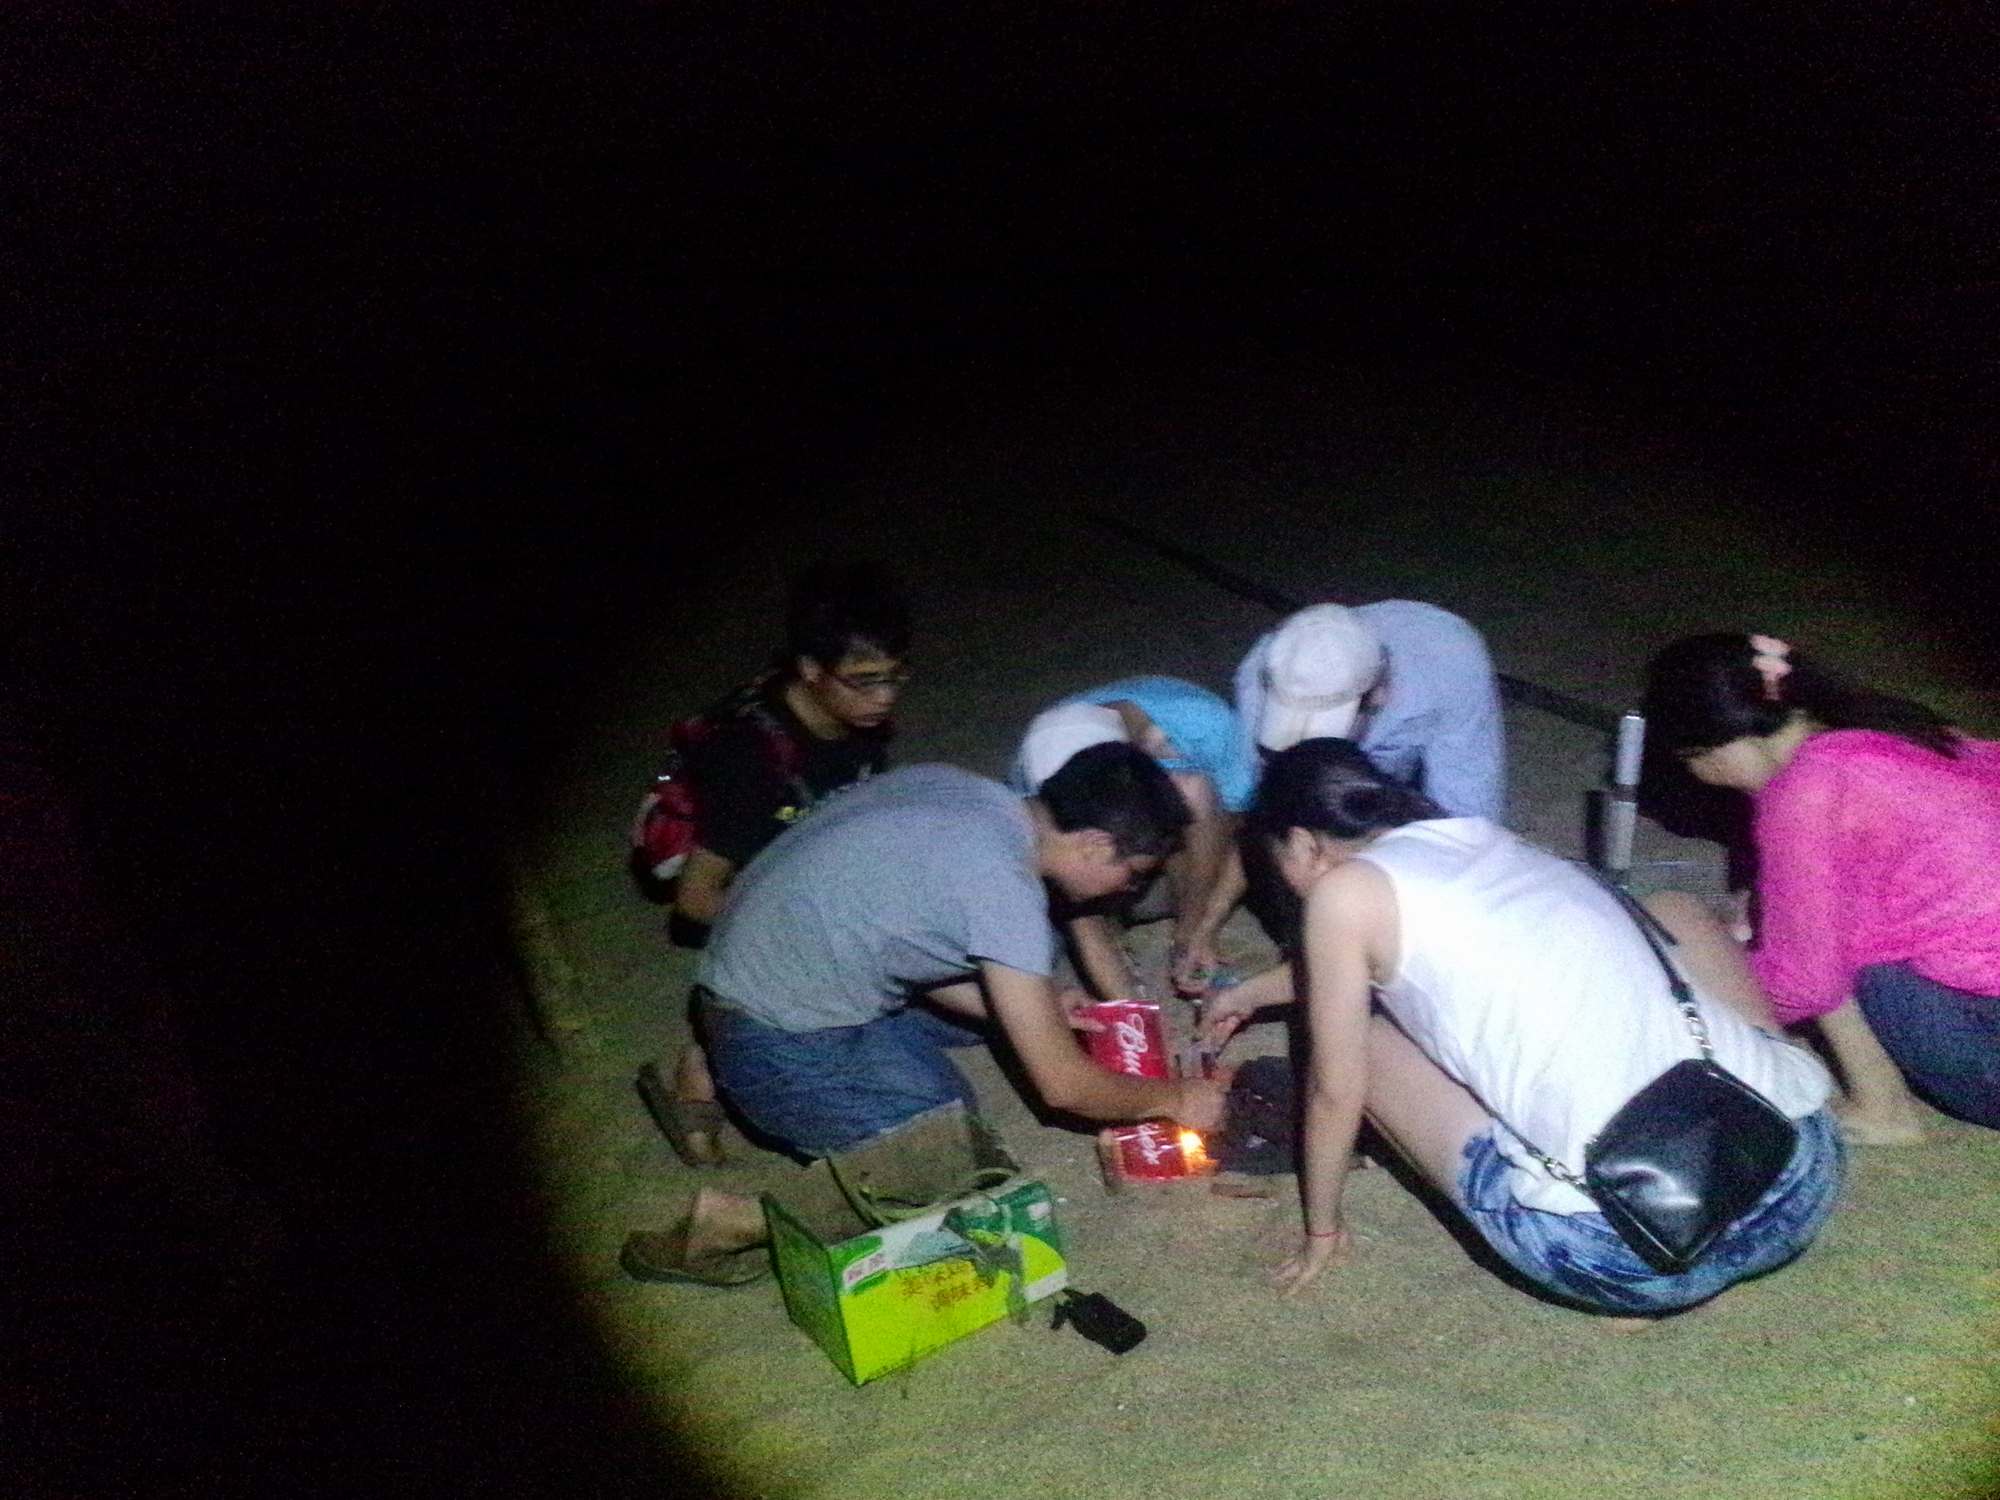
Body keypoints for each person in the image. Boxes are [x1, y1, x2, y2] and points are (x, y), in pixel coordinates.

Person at [1202, 738, 1840, 1316]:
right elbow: (1380, 953)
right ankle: (1770, 1069)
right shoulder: (1481, 837)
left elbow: (1334, 1090)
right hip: (1800, 1171)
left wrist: (1321, 1228)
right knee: (1671, 911)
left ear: (1303, 844)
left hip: (1634, 1256)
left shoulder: (1341, 891)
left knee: (1359, 1043)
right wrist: (1256, 991)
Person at [622, 745, 1227, 1284]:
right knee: (956, 1174)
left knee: (1030, 976)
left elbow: (909, 934)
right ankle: (730, 1223)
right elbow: (1063, 1086)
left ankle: (708, 1066)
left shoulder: (965, 789)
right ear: (1094, 843)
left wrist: (1039, 1007)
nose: (1127, 891)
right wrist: (1177, 1099)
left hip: (753, 970)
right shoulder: (1003, 890)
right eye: (1132, 874)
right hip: (776, 1035)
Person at [1644, 632, 2000, 1141]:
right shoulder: (1898, 728)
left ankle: (1882, 1110)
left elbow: (1804, 984)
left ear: (1710, 751)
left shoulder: (1804, 790)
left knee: (1815, 949)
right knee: (1825, 914)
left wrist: (1714, 981)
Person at [642, 561, 912, 1166]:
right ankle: (705, 1058)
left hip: (802, 856)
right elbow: (695, 902)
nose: (886, 698)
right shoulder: (750, 760)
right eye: (865, 681)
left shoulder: (861, 724)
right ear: (810, 670)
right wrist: (823, 931)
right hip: (741, 887)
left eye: (895, 677)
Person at [1203, 602, 1506, 973]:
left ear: (1377, 694)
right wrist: (1209, 921)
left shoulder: (1450, 661)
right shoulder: (1260, 676)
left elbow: (1465, 824)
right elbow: (1266, 819)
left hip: (1424, 716)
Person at [1012, 677, 1257, 999]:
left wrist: (1201, 927)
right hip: (1103, 873)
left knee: (1196, 791)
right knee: (1055, 915)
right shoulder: (1038, 780)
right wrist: (1131, 1004)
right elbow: (1079, 914)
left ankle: (1186, 929)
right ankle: (1123, 929)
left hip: (1168, 864)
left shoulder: (1202, 725)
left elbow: (1250, 832)